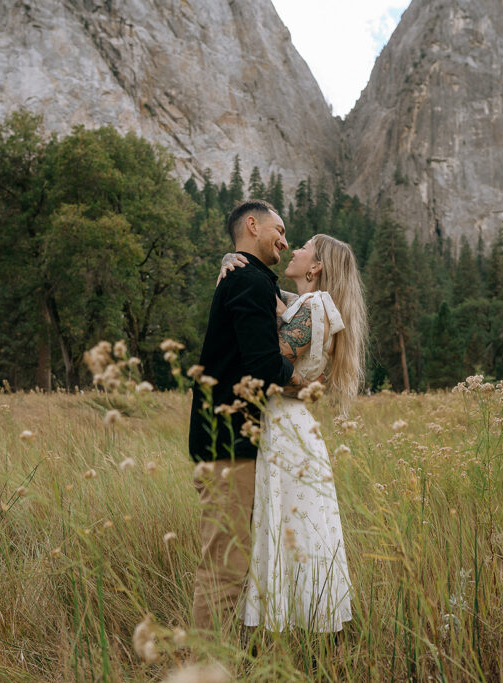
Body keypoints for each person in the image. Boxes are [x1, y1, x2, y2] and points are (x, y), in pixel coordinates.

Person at [220, 234, 367, 633]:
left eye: (303, 248)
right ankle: (292, 624)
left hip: (286, 425)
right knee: (290, 524)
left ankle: (289, 626)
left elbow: (270, 360)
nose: (294, 250)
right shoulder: (306, 304)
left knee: (289, 526)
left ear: (315, 267)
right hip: (289, 420)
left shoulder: (316, 304)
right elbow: (277, 303)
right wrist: (234, 263)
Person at [188, 199, 320, 634]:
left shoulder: (250, 278)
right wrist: (301, 384)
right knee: (225, 566)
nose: (285, 240)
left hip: (236, 439)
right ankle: (205, 667)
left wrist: (236, 258)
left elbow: (297, 305)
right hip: (229, 441)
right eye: (279, 230)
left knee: (232, 559)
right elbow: (262, 365)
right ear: (252, 225)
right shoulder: (248, 280)